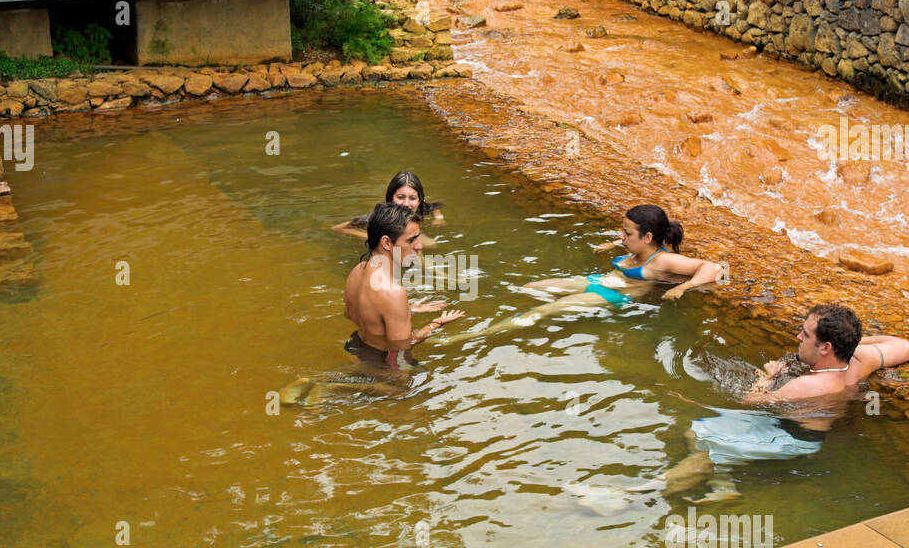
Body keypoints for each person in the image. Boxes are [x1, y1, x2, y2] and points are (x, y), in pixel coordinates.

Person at [662, 304, 909, 503]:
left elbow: (749, 400)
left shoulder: (808, 386)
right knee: (696, 431)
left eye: (805, 334)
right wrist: (849, 343)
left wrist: (768, 376)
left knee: (707, 453)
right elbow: (905, 346)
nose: (798, 336)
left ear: (825, 348)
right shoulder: (861, 360)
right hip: (792, 426)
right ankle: (724, 487)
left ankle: (643, 495)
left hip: (789, 439)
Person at [439, 203, 723, 344]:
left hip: (612, 295)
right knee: (531, 286)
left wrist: (683, 288)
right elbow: (630, 246)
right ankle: (486, 309)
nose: (620, 236)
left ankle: (465, 338)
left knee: (540, 312)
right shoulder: (639, 248)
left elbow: (715, 268)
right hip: (596, 281)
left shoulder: (664, 262)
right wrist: (613, 244)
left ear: (648, 237)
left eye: (625, 233)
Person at [282, 203, 463, 404]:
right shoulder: (393, 293)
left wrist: (407, 310)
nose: (419, 246)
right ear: (386, 243)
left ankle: (321, 382)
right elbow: (399, 353)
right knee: (409, 391)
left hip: (356, 346)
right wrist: (436, 324)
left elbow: (351, 314)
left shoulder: (358, 270)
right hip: (382, 363)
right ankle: (330, 387)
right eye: (412, 240)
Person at [332, 171, 445, 247]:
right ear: (390, 198)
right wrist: (372, 237)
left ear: (419, 200)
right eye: (400, 197)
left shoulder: (418, 209)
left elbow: (435, 206)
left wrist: (438, 217)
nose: (406, 204)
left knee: (431, 244)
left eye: (412, 198)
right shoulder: (377, 217)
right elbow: (338, 228)